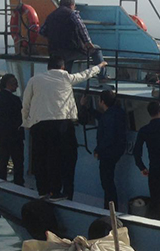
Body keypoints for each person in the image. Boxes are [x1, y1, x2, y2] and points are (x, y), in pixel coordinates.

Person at [22, 55, 107, 200]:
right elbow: (85, 74)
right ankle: (56, 192)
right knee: (57, 158)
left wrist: (26, 123)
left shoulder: (34, 80)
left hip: (39, 124)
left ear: (48, 67)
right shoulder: (66, 77)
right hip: (61, 123)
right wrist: (100, 66)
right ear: (63, 67)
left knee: (40, 158)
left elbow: (26, 104)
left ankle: (42, 190)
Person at [40, 0, 107, 82]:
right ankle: (102, 77)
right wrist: (88, 43)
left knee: (67, 60)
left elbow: (42, 32)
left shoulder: (51, 16)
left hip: (55, 52)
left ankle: (64, 80)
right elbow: (82, 29)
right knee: (96, 50)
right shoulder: (72, 14)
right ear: (71, 5)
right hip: (71, 49)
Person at [90, 91, 126, 209]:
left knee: (107, 182)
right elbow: (105, 119)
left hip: (108, 153)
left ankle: (110, 209)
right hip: (117, 151)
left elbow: (108, 136)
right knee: (109, 181)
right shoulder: (118, 112)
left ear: (102, 102)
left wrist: (97, 150)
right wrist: (91, 111)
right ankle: (111, 207)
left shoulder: (108, 116)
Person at [0, 74, 24, 186]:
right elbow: (20, 118)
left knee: (3, 160)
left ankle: (1, 181)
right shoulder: (15, 100)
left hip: (2, 134)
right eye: (15, 84)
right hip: (15, 135)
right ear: (9, 84)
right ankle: (19, 182)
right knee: (18, 161)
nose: (17, 86)